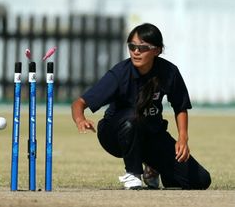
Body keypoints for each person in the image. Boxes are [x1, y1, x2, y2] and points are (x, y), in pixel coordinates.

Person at [71, 23, 211, 190]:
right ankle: (133, 173)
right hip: (114, 135)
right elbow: (79, 103)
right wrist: (80, 119)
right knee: (133, 117)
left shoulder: (169, 72)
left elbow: (180, 106)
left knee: (201, 180)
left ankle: (154, 167)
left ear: (157, 50)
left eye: (142, 47)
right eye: (132, 46)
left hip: (151, 136)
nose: (136, 52)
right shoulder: (120, 73)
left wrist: (183, 138)